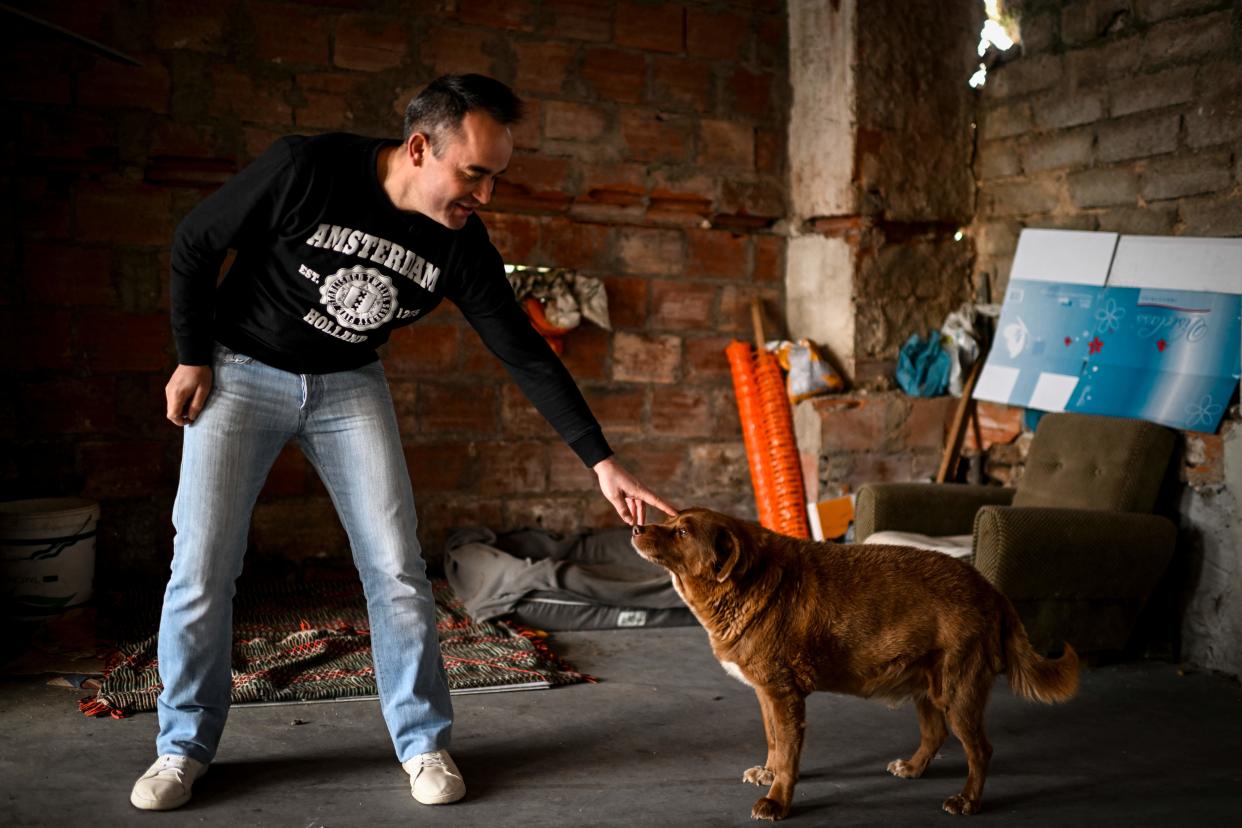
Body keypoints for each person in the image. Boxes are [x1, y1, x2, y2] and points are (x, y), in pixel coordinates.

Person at [130, 73, 676, 812]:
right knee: (202, 564)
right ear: (420, 147)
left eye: (496, 178)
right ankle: (182, 748)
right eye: (474, 174)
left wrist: (602, 461)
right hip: (240, 370)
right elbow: (196, 242)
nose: (485, 196)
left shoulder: (460, 244)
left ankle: (423, 743)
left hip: (347, 384)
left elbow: (522, 349)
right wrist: (193, 355)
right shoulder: (307, 169)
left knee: (396, 569)